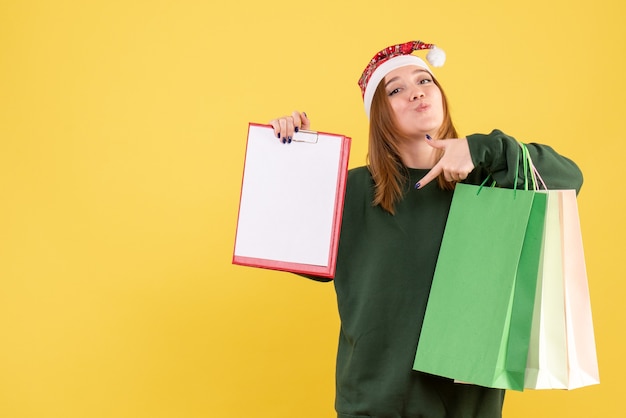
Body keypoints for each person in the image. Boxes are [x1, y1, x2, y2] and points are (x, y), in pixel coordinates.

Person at [268, 40, 583, 418]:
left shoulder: (488, 181)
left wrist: (486, 150)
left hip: (467, 406)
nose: (416, 91)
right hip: (374, 405)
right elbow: (282, 243)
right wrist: (293, 157)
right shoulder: (350, 191)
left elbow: (570, 178)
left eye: (425, 80)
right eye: (395, 89)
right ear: (379, 115)